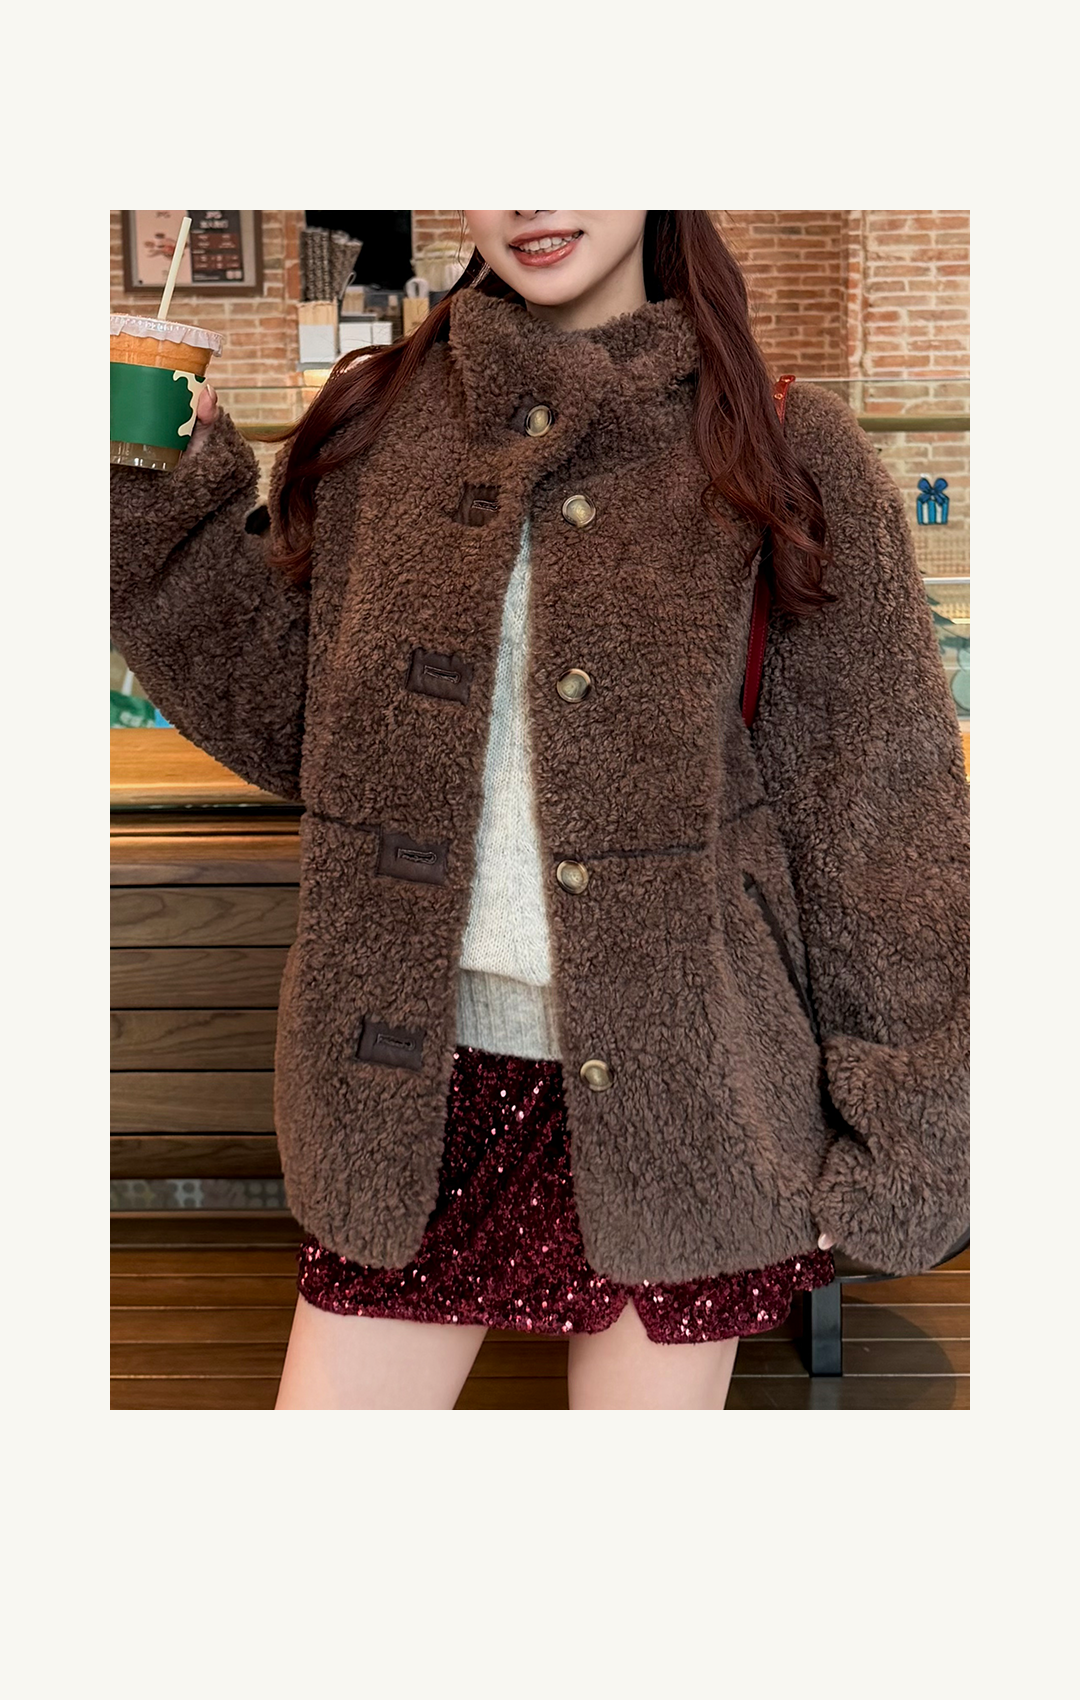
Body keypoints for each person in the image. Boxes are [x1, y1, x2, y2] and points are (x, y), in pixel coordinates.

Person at [110, 211, 969, 1411]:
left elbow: (879, 814)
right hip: (411, 1100)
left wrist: (915, 1128)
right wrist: (151, 500)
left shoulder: (783, 443)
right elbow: (292, 716)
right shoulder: (380, 419)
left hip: (691, 1096)